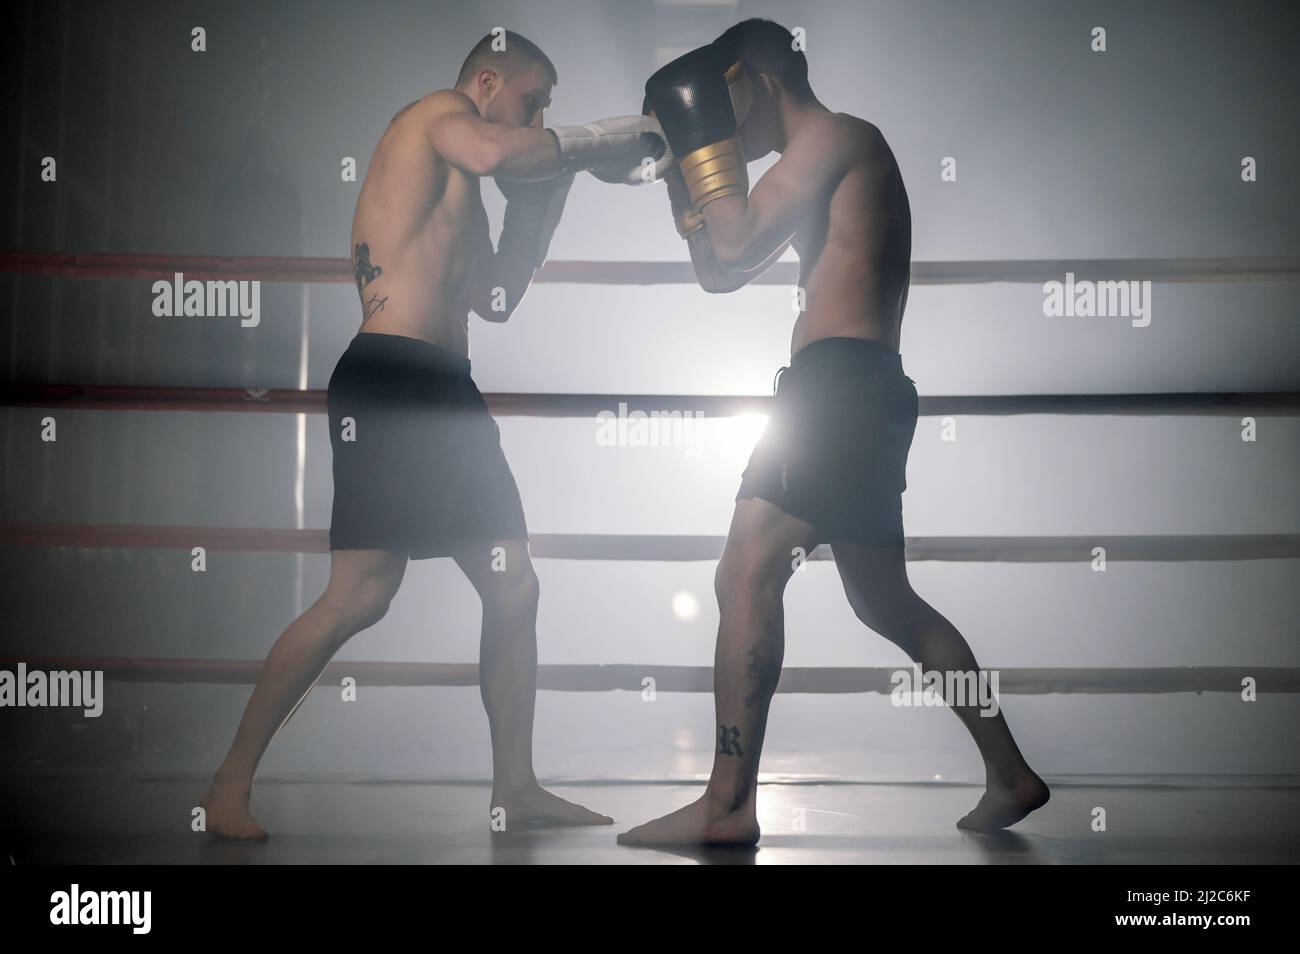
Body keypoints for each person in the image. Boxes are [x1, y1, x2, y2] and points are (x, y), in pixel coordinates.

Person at [201, 30, 666, 839]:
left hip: (447, 389)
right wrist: (602, 140)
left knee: (513, 584)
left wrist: (548, 196)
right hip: (391, 378)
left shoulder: (469, 182)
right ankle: (227, 785)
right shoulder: (434, 117)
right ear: (486, 82)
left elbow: (495, 298)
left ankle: (515, 786)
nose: (541, 115)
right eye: (533, 99)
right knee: (361, 594)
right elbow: (496, 151)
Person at [620, 19, 1048, 847]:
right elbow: (720, 271)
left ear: (753, 82)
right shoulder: (813, 159)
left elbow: (736, 236)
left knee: (744, 569)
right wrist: (680, 174)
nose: (728, 128)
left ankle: (728, 803)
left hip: (839, 391)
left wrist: (696, 153)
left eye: (726, 105)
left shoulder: (839, 138)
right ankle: (1010, 770)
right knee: (883, 598)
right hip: (859, 392)